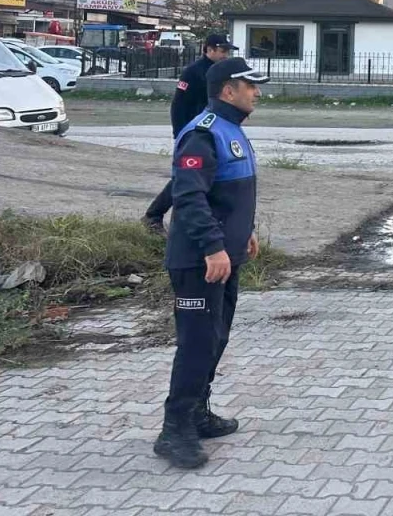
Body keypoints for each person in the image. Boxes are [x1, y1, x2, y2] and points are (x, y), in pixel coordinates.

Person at [153, 57, 269, 470]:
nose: (257, 92)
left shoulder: (230, 129)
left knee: (215, 340)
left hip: (224, 257)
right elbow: (188, 196)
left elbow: (229, 193)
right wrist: (213, 247)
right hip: (199, 261)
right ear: (227, 90)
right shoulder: (201, 133)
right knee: (197, 345)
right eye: (250, 85)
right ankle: (174, 430)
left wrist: (244, 232)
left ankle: (198, 414)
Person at [142, 34, 237, 234]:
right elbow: (178, 105)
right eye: (222, 51)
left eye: (227, 51)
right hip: (193, 134)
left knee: (209, 177)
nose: (225, 55)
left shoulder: (222, 74)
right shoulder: (194, 72)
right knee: (186, 177)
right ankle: (153, 215)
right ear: (209, 49)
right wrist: (180, 134)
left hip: (212, 132)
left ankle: (207, 222)